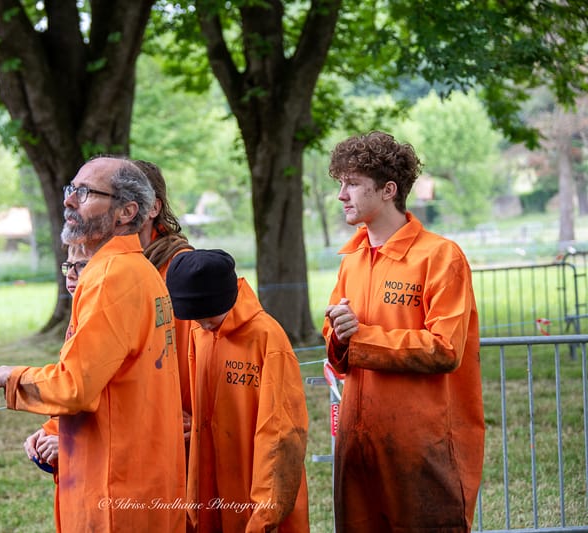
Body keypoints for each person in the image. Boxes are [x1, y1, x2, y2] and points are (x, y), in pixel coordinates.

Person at [0, 156, 186, 532]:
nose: (69, 201)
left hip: (115, 488)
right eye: (70, 189)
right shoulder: (138, 268)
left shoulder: (111, 276)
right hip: (138, 475)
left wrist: (12, 377)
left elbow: (75, 386)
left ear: (127, 211)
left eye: (86, 192)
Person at [322, 131, 484, 532]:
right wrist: (339, 336)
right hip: (358, 446)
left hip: (421, 445)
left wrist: (359, 336)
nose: (342, 195)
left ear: (388, 190)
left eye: (353, 183)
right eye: (340, 183)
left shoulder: (440, 256)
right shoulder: (352, 260)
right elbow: (338, 348)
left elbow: (445, 349)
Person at [166, 249, 310, 532]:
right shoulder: (200, 334)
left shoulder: (267, 338)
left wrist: (265, 513)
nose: (201, 323)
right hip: (212, 490)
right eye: (195, 318)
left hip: (257, 494)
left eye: (208, 316)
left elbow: (281, 432)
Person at [133, 159, 194, 438]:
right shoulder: (109, 266)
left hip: (175, 425)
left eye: (129, 199)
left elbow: (201, 349)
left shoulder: (182, 267)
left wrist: (196, 416)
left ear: (154, 208)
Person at [24, 243, 92, 473]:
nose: (71, 274)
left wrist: (72, 443)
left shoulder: (100, 321)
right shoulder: (78, 316)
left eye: (81, 265)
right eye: (68, 266)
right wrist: (51, 431)